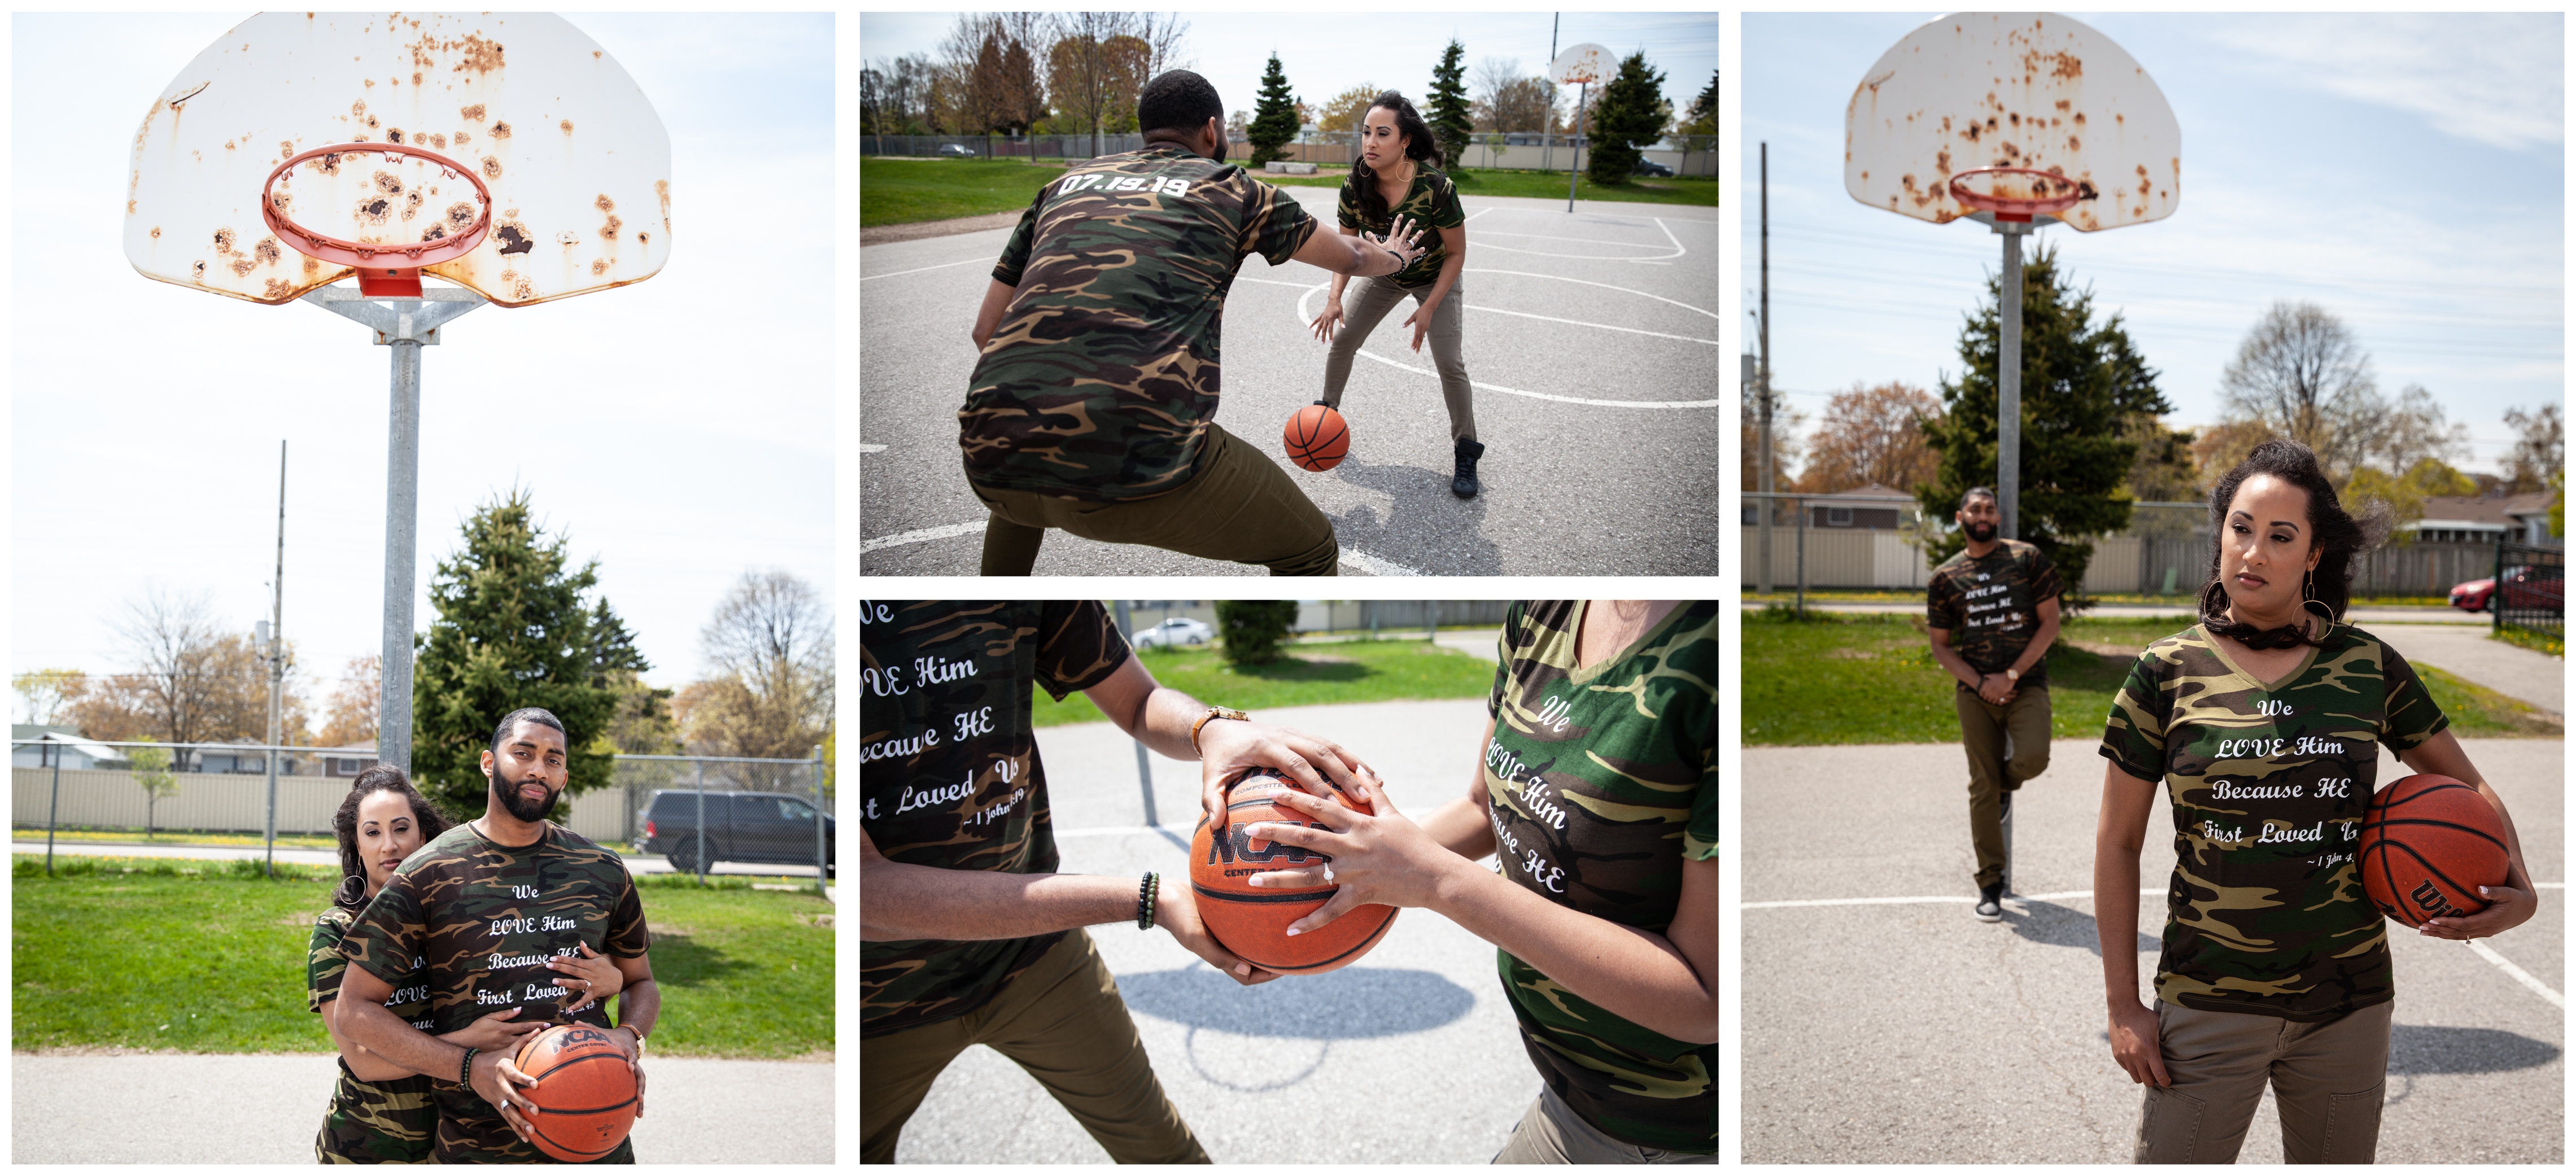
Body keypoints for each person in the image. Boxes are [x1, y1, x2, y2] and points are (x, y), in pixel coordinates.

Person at [2094, 440, 2537, 1163]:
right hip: (2207, 997)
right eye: (2240, 528)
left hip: (2348, 1002)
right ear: (2219, 534)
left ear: (2312, 554)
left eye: (2278, 535)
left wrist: (2516, 884)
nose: (2252, 551)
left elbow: (2467, 785)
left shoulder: (2364, 665)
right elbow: (2116, 843)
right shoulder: (2163, 673)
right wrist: (2121, 1007)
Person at [861, 600, 1379, 1163]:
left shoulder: (1018, 600)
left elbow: (1137, 700)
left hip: (1035, 959)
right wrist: (1149, 899)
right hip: (878, 1002)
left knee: (1167, 1157)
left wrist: (1211, 730)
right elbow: (868, 895)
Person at [1204, 600, 1719, 1161]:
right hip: (1573, 1091)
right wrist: (1334, 888)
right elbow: (1482, 806)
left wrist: (1432, 879)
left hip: (1671, 1127)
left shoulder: (1709, 662)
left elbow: (1705, 1000)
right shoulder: (1546, 608)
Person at [959, 69, 1430, 577]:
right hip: (1143, 455)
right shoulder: (1234, 189)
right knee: (1311, 550)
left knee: (1026, 458)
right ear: (1212, 130)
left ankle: (997, 623)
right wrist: (1396, 258)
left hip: (989, 453)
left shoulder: (1062, 185)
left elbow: (986, 331)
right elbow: (1355, 255)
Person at [336, 709, 659, 1164]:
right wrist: (469, 1067)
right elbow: (354, 1011)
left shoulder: (602, 870)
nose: (537, 769)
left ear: (564, 775)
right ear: (489, 762)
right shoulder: (427, 874)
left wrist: (630, 1035)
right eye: (523, 753)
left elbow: (642, 981)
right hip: (478, 1144)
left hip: (596, 1137)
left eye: (552, 759)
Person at [1308, 91, 1483, 497]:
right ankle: (1325, 416)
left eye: (1382, 134)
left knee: (1449, 362)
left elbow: (1457, 254)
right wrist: (1335, 297)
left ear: (1405, 141)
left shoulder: (1436, 187)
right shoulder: (1355, 185)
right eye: (1367, 132)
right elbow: (1346, 251)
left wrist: (1430, 308)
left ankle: (1466, 449)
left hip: (1435, 276)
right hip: (1386, 273)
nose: (1370, 142)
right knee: (1344, 340)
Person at [1926, 486, 2063, 920]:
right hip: (1975, 692)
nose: (1982, 514)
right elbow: (1941, 647)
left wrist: (2011, 675)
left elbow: (2050, 622)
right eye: (1974, 508)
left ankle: (2008, 784)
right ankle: (1990, 883)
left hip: (2027, 684)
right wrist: (1982, 681)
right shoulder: (1945, 577)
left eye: (1989, 509)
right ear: (1959, 516)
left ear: (1998, 518)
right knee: (1981, 784)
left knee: (2034, 757)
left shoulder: (2027, 559)